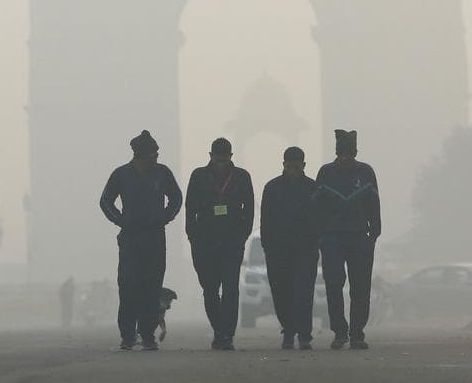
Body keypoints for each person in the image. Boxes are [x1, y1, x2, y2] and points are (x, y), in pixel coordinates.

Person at [99, 130, 183, 351]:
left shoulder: (162, 173)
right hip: (130, 238)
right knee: (127, 285)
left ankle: (147, 335)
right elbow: (105, 200)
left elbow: (176, 197)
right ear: (140, 155)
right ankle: (127, 335)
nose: (156, 158)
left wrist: (166, 216)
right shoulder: (121, 175)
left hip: (155, 237)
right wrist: (120, 220)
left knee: (151, 288)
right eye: (153, 155)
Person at [185, 137, 254, 350]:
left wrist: (243, 233)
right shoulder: (198, 176)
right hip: (204, 241)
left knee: (231, 288)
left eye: (225, 159)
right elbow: (190, 207)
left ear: (231, 156)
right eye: (218, 159)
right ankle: (219, 329)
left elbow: (249, 207)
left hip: (232, 240)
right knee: (210, 289)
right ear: (211, 156)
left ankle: (227, 335)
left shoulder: (242, 177)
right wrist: (192, 235)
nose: (221, 163)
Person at [315, 129, 381, 350]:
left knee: (360, 287)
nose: (346, 158)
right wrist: (320, 235)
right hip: (332, 238)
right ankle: (339, 331)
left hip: (360, 237)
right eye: (342, 153)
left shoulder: (366, 172)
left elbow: (374, 204)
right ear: (337, 152)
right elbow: (317, 206)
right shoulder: (326, 173)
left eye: (350, 153)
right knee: (334, 284)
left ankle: (357, 333)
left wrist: (374, 233)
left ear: (355, 152)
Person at [260, 146, 320, 350]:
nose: (293, 169)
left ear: (303, 165)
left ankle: (304, 334)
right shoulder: (272, 188)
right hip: (278, 249)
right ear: (283, 164)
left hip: (306, 248)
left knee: (303, 292)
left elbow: (320, 217)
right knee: (281, 292)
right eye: (289, 165)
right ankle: (288, 329)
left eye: (296, 165)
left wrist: (316, 241)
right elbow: (265, 220)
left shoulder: (314, 188)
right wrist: (267, 245)